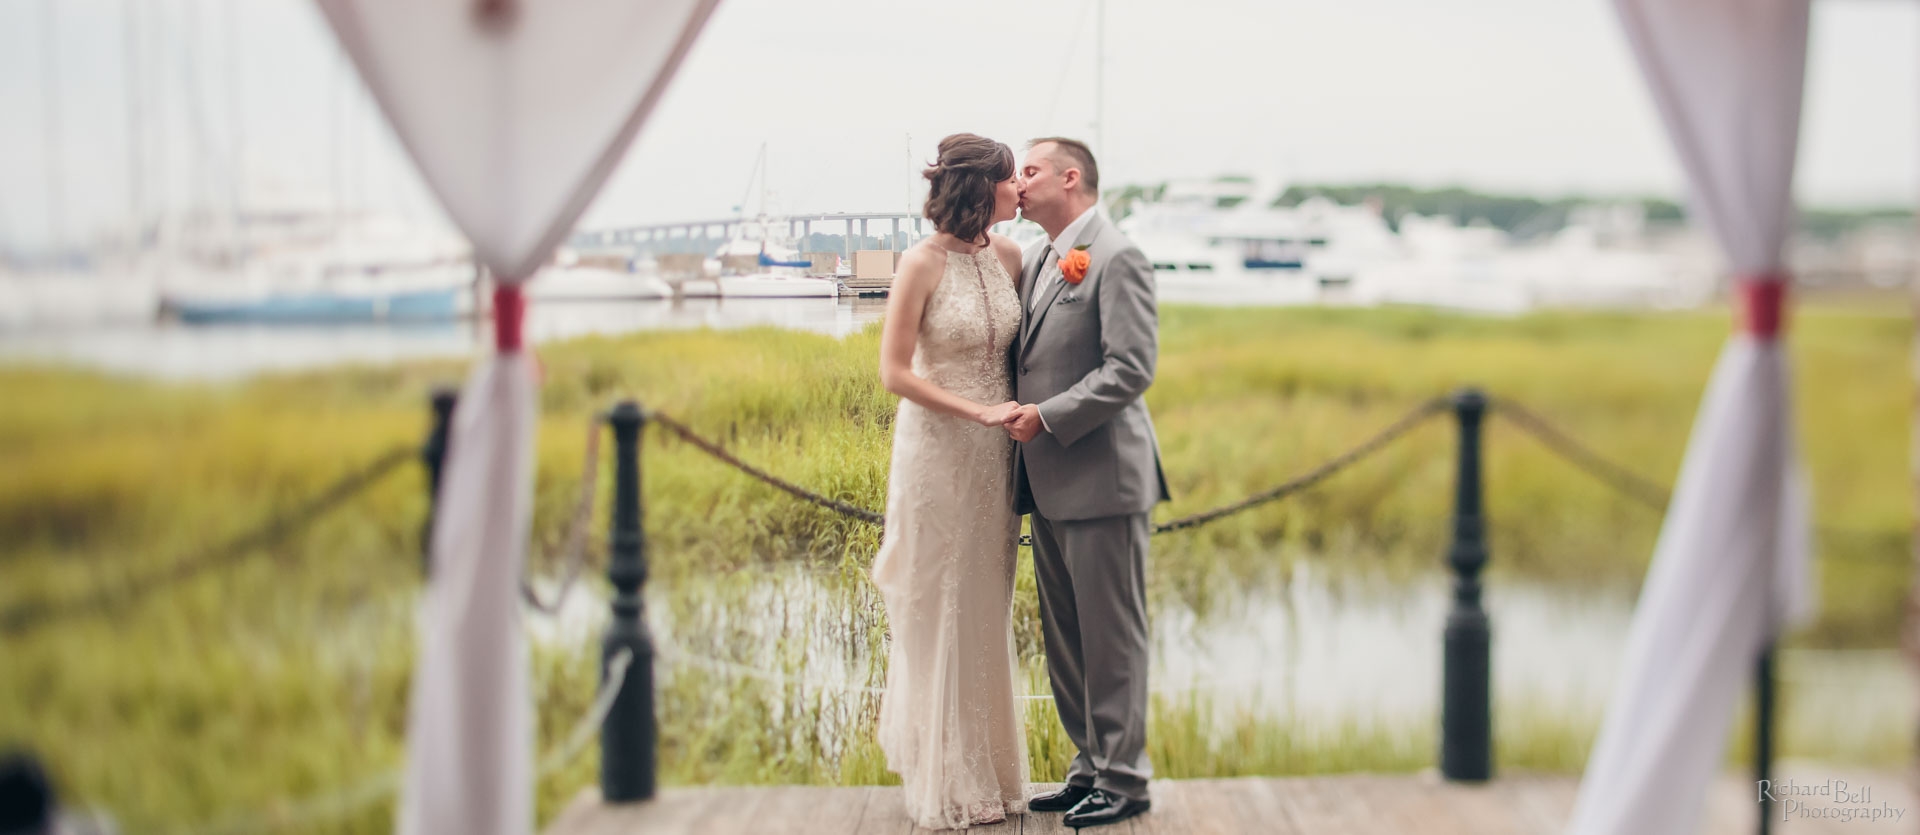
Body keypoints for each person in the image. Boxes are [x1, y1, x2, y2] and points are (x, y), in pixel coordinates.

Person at [1004, 136, 1169, 829]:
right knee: (1068, 638)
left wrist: (1047, 415)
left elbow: (1131, 367)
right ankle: (1088, 768)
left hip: (1103, 477)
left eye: (1031, 169)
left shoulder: (1118, 254)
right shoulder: (1043, 256)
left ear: (1071, 178)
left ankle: (1126, 780)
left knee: (1112, 637)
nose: (1019, 180)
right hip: (1046, 482)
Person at [870, 132, 1030, 830]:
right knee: (938, 600)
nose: (1020, 187)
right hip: (937, 450)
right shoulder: (920, 262)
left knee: (985, 599)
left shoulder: (1014, 256)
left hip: (997, 459)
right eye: (1009, 178)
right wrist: (975, 409)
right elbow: (895, 372)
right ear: (979, 187)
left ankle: (992, 769)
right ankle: (947, 776)